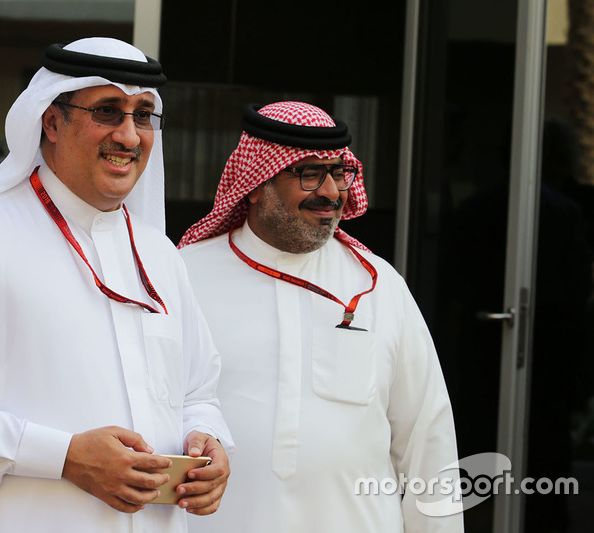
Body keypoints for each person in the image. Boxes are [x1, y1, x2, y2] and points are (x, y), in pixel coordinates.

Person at [0, 37, 233, 532]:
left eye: (143, 115)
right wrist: (64, 457)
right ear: (51, 122)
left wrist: (206, 438)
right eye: (107, 111)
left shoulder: (158, 254)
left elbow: (198, 391)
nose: (129, 135)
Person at [178, 101, 461, 531]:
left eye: (339, 172)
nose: (330, 192)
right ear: (255, 183)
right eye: (309, 173)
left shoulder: (378, 285)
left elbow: (428, 440)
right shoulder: (183, 275)